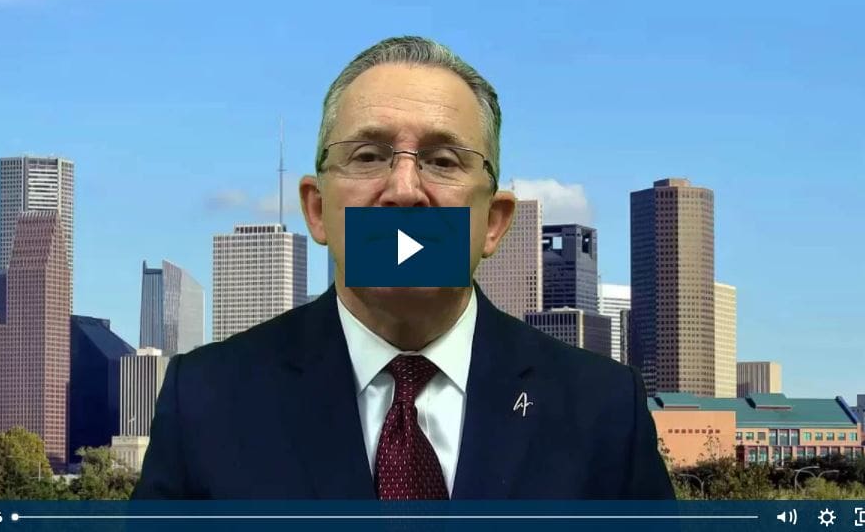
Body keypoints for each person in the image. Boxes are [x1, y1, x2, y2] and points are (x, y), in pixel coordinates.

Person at [132, 36, 674, 500]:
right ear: (317, 209)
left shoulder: (604, 411)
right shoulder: (207, 400)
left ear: (494, 223)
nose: (405, 190)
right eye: (368, 155)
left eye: (443, 160)